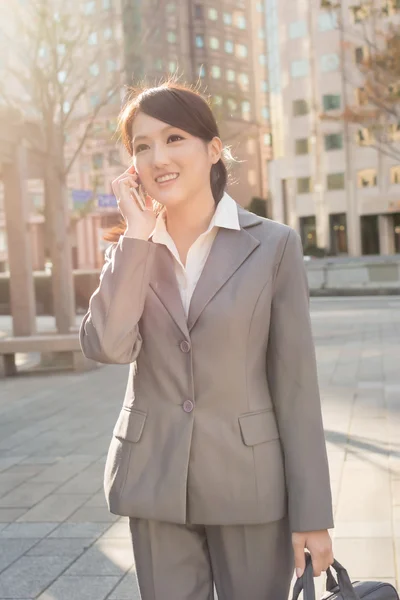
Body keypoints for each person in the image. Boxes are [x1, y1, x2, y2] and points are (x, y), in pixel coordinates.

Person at [80, 80, 334, 600]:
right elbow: (107, 346)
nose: (158, 157)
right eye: (142, 146)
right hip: (155, 482)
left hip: (250, 486)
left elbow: (297, 388)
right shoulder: (132, 248)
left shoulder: (273, 245)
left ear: (213, 150)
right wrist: (134, 236)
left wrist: (312, 515)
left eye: (174, 139)